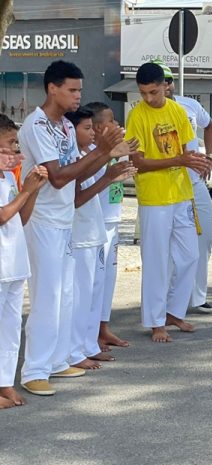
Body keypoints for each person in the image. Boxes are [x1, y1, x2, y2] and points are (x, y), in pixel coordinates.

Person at [19, 60, 129, 397]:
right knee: (48, 297)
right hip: (42, 221)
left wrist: (104, 154)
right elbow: (58, 176)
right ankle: (34, 370)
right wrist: (105, 150)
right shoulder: (36, 126)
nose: (78, 96)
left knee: (65, 296)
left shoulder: (66, 128)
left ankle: (55, 360)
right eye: (72, 90)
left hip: (64, 220)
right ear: (52, 88)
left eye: (80, 90)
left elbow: (77, 173)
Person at [124, 62, 212, 343]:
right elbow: (137, 162)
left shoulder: (178, 111)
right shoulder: (136, 116)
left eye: (152, 91)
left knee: (191, 257)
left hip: (182, 195)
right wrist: (179, 161)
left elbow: (189, 150)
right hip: (154, 199)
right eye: (143, 93)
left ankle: (174, 312)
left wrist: (199, 162)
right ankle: (155, 321)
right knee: (156, 262)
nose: (148, 98)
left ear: (165, 85)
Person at [66, 108, 135, 371]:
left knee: (94, 291)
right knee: (81, 295)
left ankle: (88, 345)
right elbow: (80, 194)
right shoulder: (78, 157)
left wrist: (113, 172)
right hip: (83, 233)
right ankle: (76, 349)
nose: (92, 133)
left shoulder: (88, 155)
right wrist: (108, 172)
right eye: (87, 128)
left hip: (95, 230)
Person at [158, 62, 212, 315]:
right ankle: (168, 301)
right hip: (166, 186)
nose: (167, 85)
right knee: (170, 247)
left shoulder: (189, 105)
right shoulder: (145, 111)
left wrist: (211, 156)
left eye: (169, 80)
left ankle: (198, 296)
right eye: (162, 81)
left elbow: (210, 126)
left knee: (204, 238)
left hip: (195, 182)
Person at [0, 118, 48, 408]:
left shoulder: (7, 177)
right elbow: (2, 215)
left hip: (14, 263)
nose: (16, 149)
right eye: (9, 143)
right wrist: (26, 190)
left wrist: (35, 188)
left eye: (16, 143)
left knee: (9, 328)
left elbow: (21, 217)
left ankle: (5, 382)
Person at [84, 101, 131, 351]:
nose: (117, 124)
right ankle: (90, 336)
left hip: (114, 219)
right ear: (100, 127)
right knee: (95, 281)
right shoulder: (92, 152)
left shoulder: (117, 149)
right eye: (112, 120)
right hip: (97, 223)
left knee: (108, 279)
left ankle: (103, 328)